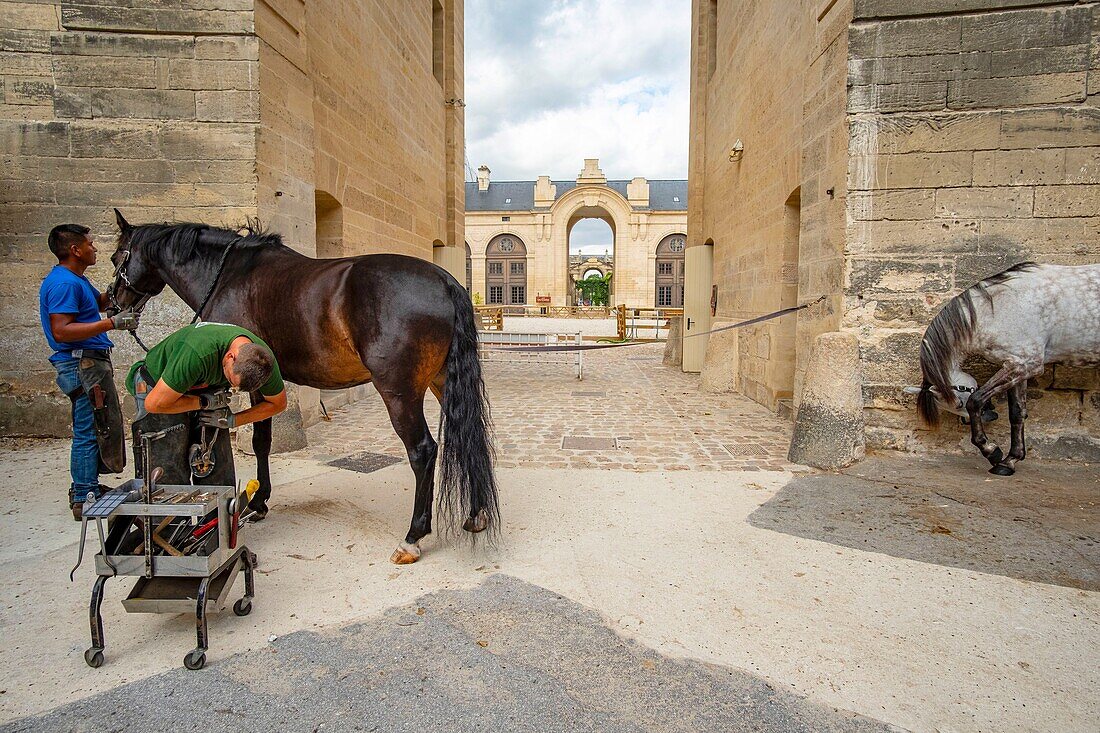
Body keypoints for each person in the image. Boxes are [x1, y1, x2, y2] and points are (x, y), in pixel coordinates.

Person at [39, 224, 139, 519]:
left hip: (90, 361)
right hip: (81, 363)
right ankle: (83, 495)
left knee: (99, 425)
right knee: (87, 428)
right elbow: (62, 330)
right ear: (75, 250)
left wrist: (128, 280)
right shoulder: (63, 284)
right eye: (90, 244)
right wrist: (112, 324)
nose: (95, 248)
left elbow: (100, 303)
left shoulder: (77, 280)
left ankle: (88, 487)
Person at [125, 322, 287, 485]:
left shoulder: (262, 362)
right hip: (157, 386)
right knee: (167, 473)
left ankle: (217, 509)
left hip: (202, 386)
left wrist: (233, 420)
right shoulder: (197, 353)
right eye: (230, 380)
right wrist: (201, 402)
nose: (232, 387)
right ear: (230, 357)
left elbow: (278, 404)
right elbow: (153, 404)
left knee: (215, 467)